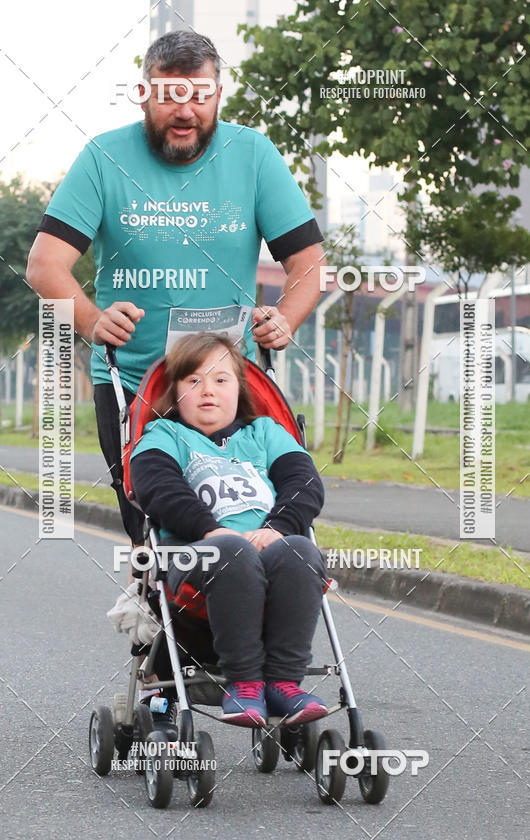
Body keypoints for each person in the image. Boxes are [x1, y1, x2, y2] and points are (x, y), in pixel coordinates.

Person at [26, 30, 324, 546]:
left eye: (199, 96)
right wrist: (93, 320)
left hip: (232, 386)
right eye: (169, 97)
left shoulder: (253, 155)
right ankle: (157, 609)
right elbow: (44, 265)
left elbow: (309, 261)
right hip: (135, 387)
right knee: (156, 531)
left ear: (218, 94)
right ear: (144, 94)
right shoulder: (103, 158)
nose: (185, 112)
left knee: (252, 514)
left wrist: (285, 318)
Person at [129, 332, 327, 727]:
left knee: (302, 551)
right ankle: (245, 681)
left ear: (239, 388)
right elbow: (158, 488)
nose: (208, 391)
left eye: (221, 380)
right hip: (198, 559)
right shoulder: (164, 436)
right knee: (232, 552)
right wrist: (211, 531)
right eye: (193, 380)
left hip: (271, 550)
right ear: (175, 390)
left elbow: (304, 483)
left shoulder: (265, 433)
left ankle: (284, 683)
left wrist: (278, 528)